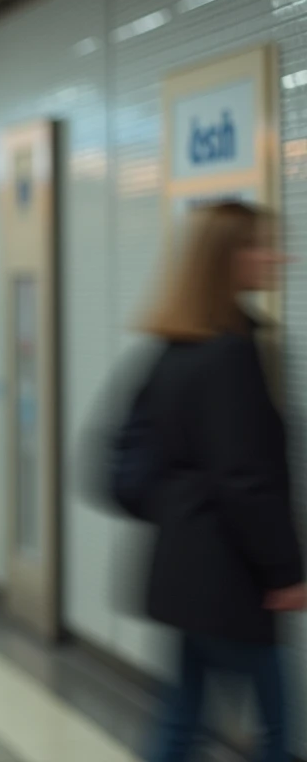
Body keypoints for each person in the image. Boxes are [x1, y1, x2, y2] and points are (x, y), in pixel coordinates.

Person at [131, 202, 305, 762]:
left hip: (185, 571)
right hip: (231, 577)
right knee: (277, 730)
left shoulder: (176, 347)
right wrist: (285, 572)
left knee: (181, 718)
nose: (276, 256)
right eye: (260, 245)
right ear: (228, 259)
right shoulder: (232, 353)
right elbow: (245, 478)